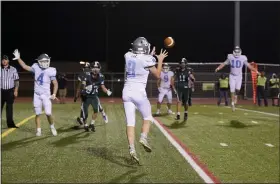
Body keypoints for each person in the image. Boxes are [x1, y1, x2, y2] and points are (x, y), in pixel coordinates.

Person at [122, 37, 168, 164]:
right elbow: (158, 74)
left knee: (130, 123)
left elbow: (140, 58)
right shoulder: (147, 59)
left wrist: (150, 55)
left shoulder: (128, 55)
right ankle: (143, 137)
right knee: (147, 117)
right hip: (139, 92)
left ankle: (132, 149)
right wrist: (160, 60)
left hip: (126, 92)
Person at [13, 49, 58, 136]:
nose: (45, 63)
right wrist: (18, 58)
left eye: (46, 61)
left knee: (48, 113)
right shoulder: (36, 67)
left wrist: (54, 94)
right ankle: (38, 130)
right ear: (39, 62)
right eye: (43, 61)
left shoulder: (51, 70)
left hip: (46, 95)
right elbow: (24, 66)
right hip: (37, 94)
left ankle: (52, 126)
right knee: (37, 113)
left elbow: (55, 83)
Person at [215, 46, 259, 111]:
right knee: (232, 90)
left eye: (238, 52)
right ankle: (232, 104)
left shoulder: (243, 58)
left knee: (238, 90)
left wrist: (256, 71)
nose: (237, 53)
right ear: (234, 52)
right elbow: (224, 64)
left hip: (239, 76)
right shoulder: (230, 57)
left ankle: (235, 96)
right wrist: (218, 68)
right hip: (232, 76)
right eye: (236, 52)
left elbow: (249, 66)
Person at [75, 61, 112, 132]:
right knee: (85, 113)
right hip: (87, 96)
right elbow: (82, 86)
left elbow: (103, 86)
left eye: (97, 68)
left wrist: (107, 91)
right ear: (91, 68)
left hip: (94, 96)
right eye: (94, 68)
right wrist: (84, 89)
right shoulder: (86, 75)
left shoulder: (101, 76)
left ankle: (92, 123)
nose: (95, 70)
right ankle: (85, 123)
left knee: (97, 109)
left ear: (99, 68)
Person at [1, 55, 19, 128]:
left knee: (9, 108)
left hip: (10, 91)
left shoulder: (13, 69)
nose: (4, 61)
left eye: (5, 59)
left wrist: (16, 90)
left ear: (8, 61)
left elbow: (16, 80)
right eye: (3, 60)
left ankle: (10, 124)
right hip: (1, 91)